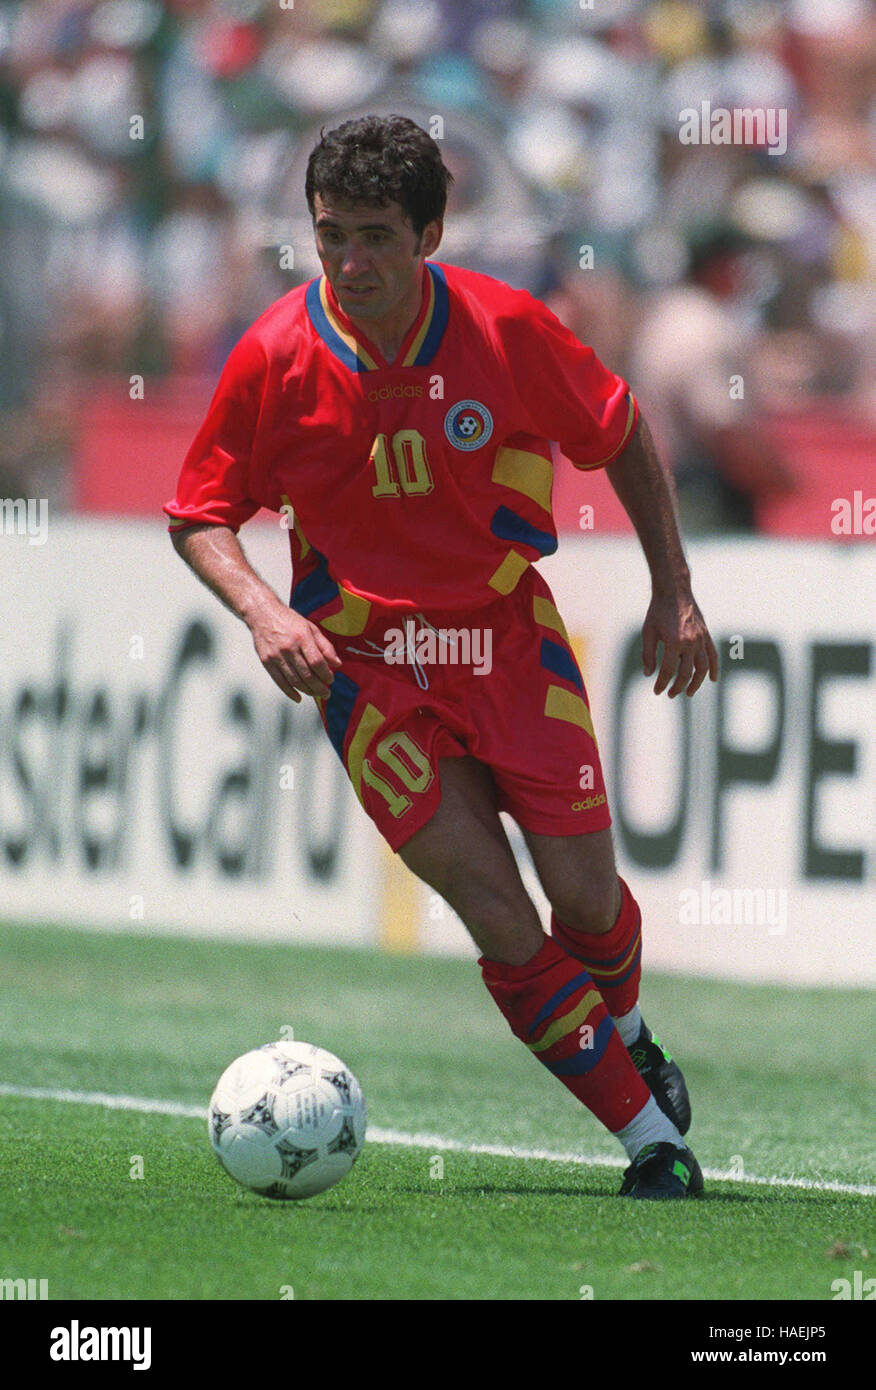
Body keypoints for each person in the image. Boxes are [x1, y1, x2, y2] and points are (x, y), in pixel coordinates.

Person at [165, 115, 719, 1199]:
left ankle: (632, 1033)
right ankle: (653, 1140)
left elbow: (619, 434)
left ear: (431, 232)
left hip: (508, 643)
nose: (351, 262)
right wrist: (265, 613)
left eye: (376, 235)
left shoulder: (508, 329)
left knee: (586, 901)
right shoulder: (274, 356)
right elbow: (199, 512)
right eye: (331, 236)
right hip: (367, 677)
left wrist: (676, 591)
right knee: (498, 911)